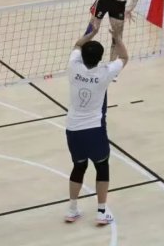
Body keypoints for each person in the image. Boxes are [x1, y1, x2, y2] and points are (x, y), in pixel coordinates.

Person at [64, 24, 129, 225]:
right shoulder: (105, 73)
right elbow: (124, 57)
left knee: (79, 166)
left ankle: (72, 209)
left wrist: (90, 33)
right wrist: (117, 38)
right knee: (102, 167)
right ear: (100, 59)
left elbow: (77, 45)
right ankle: (101, 212)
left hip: (72, 129)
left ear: (82, 56)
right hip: (94, 129)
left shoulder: (73, 67)